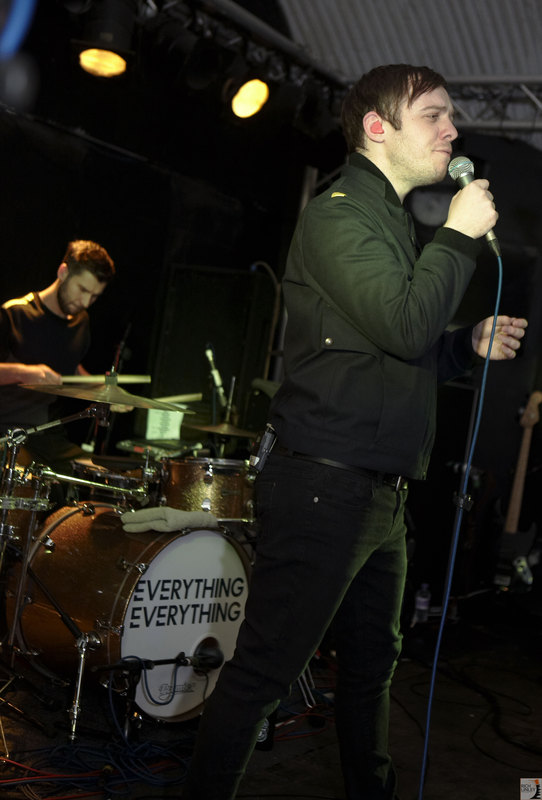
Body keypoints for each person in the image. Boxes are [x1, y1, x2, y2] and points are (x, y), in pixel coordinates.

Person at [180, 64, 528, 800]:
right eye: (433, 115)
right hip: (324, 485)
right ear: (378, 127)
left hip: (378, 493)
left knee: (372, 670)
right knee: (264, 674)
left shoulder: (393, 223)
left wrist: (464, 345)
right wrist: (458, 235)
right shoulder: (337, 216)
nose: (452, 130)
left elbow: (396, 351)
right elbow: (403, 326)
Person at [0, 239, 115, 472]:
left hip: (48, 435)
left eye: (94, 296)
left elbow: (70, 369)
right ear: (63, 272)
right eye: (83, 290)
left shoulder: (81, 322)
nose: (86, 302)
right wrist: (22, 372)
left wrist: (103, 389)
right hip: (8, 433)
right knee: (29, 480)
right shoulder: (15, 313)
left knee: (102, 474)